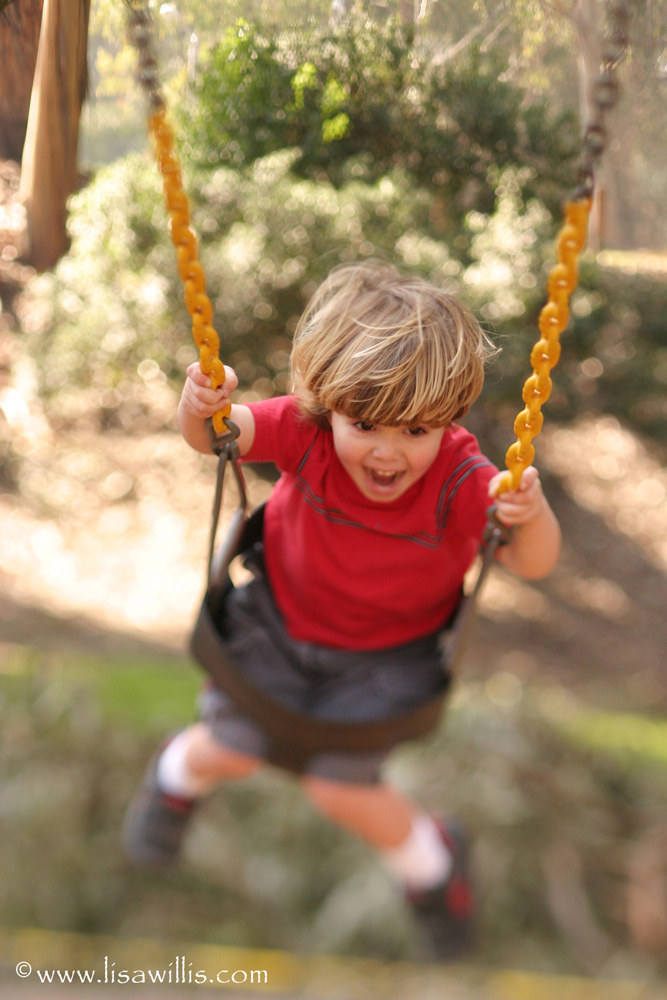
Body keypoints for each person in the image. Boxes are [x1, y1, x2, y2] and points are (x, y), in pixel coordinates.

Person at [123, 262, 561, 956]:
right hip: (277, 626)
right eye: (365, 425)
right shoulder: (305, 433)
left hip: (385, 662)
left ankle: (433, 868)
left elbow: (531, 561)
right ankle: (169, 785)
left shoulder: (462, 480)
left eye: (416, 431)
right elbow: (216, 435)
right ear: (327, 405)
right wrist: (200, 401)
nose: (388, 453)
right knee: (227, 749)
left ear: (448, 422)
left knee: (340, 791)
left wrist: (528, 514)